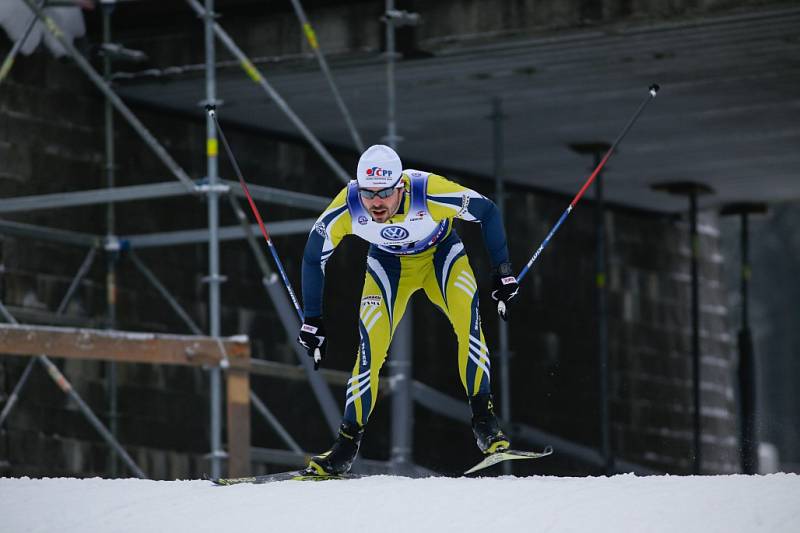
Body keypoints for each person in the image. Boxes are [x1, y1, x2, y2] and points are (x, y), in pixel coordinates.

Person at [297, 144, 519, 475]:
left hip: (440, 256)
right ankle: (345, 446)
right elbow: (314, 256)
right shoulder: (349, 204)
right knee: (370, 352)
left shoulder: (427, 190)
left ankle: (485, 423)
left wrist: (503, 272)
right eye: (369, 193)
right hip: (387, 266)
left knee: (468, 327)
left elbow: (486, 211)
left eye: (385, 193)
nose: (375, 203)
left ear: (400, 186)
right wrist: (312, 319)